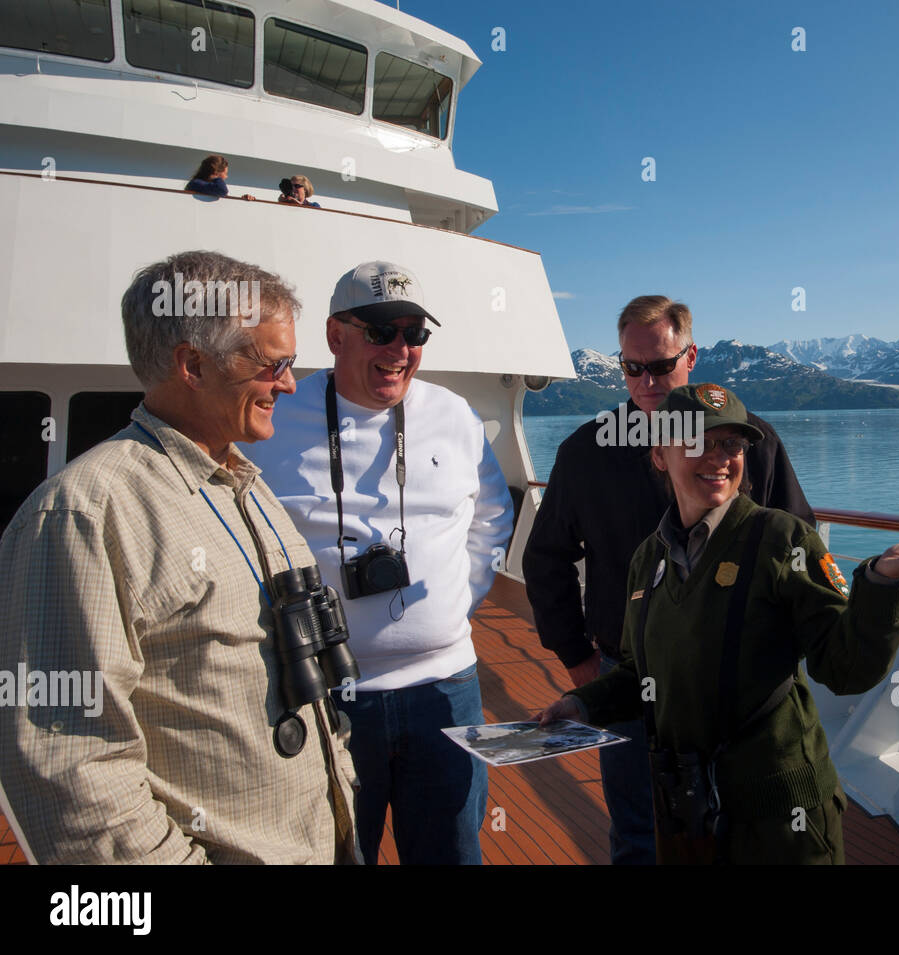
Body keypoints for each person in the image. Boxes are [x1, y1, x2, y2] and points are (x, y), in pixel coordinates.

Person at [0, 250, 361, 864]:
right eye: (273, 363)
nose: (290, 383)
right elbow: (70, 771)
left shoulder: (244, 483)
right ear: (193, 365)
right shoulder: (83, 514)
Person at [539, 383, 899, 864]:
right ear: (660, 455)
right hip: (688, 811)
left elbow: (846, 670)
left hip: (779, 821)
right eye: (696, 441)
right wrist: (580, 706)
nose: (718, 458)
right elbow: (639, 675)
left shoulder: (781, 538)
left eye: (732, 443)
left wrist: (879, 584)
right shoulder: (649, 558)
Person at [523, 295, 814, 865]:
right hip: (630, 678)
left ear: (691, 356)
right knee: (639, 832)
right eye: (631, 367)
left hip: (738, 682)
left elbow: (799, 541)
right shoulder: (586, 451)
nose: (646, 381)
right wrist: (579, 659)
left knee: (746, 827)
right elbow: (545, 558)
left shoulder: (751, 440)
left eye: (659, 365)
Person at [244, 260, 514, 865]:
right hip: (322, 695)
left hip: (447, 688)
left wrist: (453, 603)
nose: (400, 349)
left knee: (451, 852)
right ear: (336, 335)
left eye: (414, 334)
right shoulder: (270, 421)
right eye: (380, 331)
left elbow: (492, 519)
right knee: (335, 853)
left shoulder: (455, 416)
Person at [184, 154, 254, 201]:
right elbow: (222, 190)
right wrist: (215, 177)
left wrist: (242, 199)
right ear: (216, 172)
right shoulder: (195, 183)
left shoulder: (207, 187)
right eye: (225, 173)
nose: (226, 177)